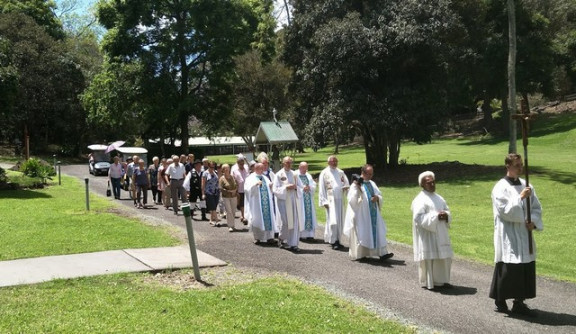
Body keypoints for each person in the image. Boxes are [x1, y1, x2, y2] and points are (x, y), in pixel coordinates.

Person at [490, 153, 543, 317]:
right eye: (517, 165)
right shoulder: (500, 187)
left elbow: (536, 208)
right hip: (509, 233)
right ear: (508, 166)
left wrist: (532, 221)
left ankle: (519, 302)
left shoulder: (527, 185)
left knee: (524, 266)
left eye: (521, 165)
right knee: (509, 266)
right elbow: (505, 212)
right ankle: (500, 298)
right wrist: (520, 197)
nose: (520, 168)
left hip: (524, 232)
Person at [411, 171, 453, 290]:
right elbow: (418, 217)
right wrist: (435, 217)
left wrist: (446, 215)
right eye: (429, 183)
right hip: (428, 233)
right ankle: (431, 282)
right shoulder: (420, 199)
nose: (432, 184)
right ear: (422, 184)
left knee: (444, 257)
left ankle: (443, 280)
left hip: (441, 232)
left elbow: (447, 210)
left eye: (433, 182)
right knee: (431, 257)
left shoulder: (439, 198)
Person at [343, 164, 393, 261]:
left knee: (378, 231)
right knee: (363, 232)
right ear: (363, 173)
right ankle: (361, 254)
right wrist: (357, 189)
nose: (370, 176)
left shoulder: (372, 183)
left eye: (372, 174)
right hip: (362, 214)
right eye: (369, 174)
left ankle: (382, 254)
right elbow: (351, 200)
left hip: (374, 213)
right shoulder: (355, 184)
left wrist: (377, 198)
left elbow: (379, 194)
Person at [273, 156, 304, 252]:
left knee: (294, 222)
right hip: (283, 201)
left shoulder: (295, 174)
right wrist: (286, 187)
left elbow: (301, 187)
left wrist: (295, 188)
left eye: (290, 162)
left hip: (294, 201)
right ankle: (281, 238)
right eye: (287, 162)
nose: (289, 164)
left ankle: (293, 244)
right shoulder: (278, 174)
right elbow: (275, 189)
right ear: (283, 163)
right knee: (286, 222)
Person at [319, 155, 350, 250]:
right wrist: (324, 201)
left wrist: (346, 187)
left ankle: (338, 239)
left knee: (340, 220)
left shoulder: (340, 172)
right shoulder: (324, 173)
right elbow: (321, 188)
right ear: (328, 162)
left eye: (336, 161)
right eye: (332, 161)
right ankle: (333, 240)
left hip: (340, 199)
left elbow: (346, 183)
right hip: (330, 200)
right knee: (332, 220)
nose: (334, 163)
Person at [244, 162, 277, 244]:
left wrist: (271, 186)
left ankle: (269, 237)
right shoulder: (250, 178)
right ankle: (258, 238)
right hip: (257, 204)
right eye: (260, 168)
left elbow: (270, 187)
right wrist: (255, 185)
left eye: (263, 168)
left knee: (268, 219)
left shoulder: (265, 177)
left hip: (267, 203)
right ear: (255, 169)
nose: (262, 170)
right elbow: (247, 190)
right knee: (257, 219)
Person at [297, 161, 317, 240]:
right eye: (303, 168)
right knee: (301, 215)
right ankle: (301, 234)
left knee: (309, 215)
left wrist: (310, 187)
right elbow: (295, 185)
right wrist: (302, 188)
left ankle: (309, 235)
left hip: (308, 198)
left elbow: (313, 185)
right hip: (300, 199)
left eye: (306, 168)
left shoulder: (308, 175)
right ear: (300, 167)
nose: (305, 170)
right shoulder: (296, 175)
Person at [219, 163, 238, 232]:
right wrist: (229, 191)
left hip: (234, 196)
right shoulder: (222, 178)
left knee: (233, 211)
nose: (226, 170)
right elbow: (220, 188)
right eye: (225, 169)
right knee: (229, 211)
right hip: (226, 197)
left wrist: (235, 190)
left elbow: (237, 184)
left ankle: (233, 225)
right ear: (223, 170)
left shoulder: (233, 177)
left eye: (227, 168)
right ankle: (230, 226)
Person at [232, 154, 249, 225]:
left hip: (247, 189)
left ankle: (244, 215)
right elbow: (233, 179)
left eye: (243, 163)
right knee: (241, 203)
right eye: (240, 164)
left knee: (247, 203)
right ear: (238, 164)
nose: (242, 165)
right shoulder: (235, 170)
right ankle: (243, 216)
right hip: (240, 189)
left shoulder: (246, 168)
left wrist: (246, 160)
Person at [202, 160, 221, 225]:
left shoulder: (215, 172)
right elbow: (203, 184)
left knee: (214, 207)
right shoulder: (205, 173)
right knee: (212, 206)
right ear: (208, 166)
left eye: (213, 167)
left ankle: (211, 219)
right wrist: (203, 193)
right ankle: (216, 220)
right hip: (209, 192)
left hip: (216, 191)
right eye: (211, 167)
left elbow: (218, 181)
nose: (212, 168)